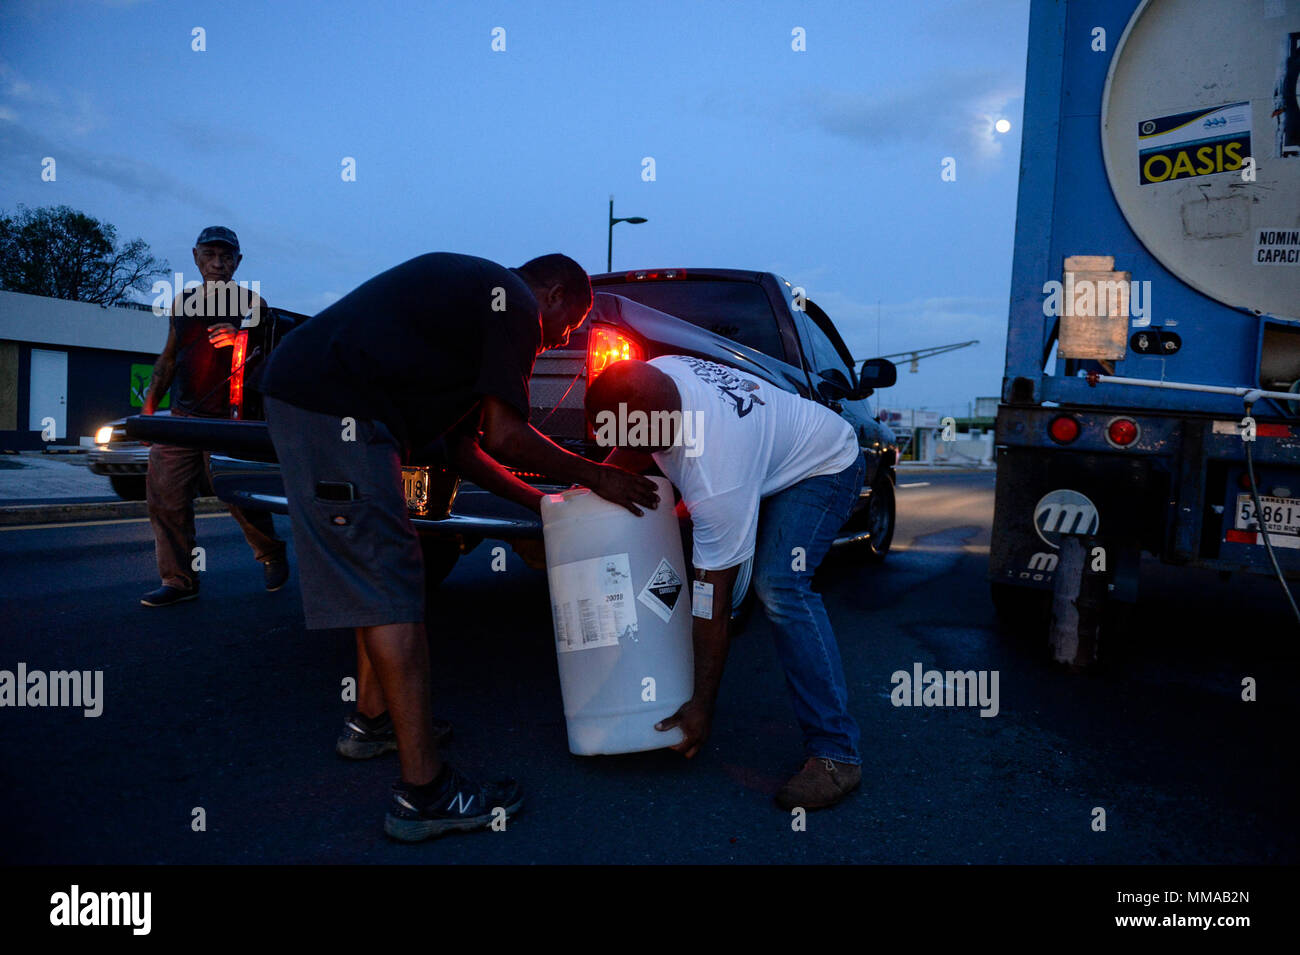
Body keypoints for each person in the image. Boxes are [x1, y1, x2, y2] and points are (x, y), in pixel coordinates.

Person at [258, 252, 659, 841]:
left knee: (385, 573)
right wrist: (597, 477)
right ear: (551, 294)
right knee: (390, 582)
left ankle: (373, 722)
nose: (556, 344)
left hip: (320, 400)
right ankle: (425, 794)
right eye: (568, 327)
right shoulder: (513, 302)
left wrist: (549, 507)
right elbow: (508, 436)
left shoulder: (472, 312)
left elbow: (467, 449)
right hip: (335, 410)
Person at [585, 355, 867, 810]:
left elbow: (709, 606)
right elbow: (629, 445)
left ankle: (836, 753)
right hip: (765, 449)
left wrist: (701, 706)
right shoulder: (657, 374)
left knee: (780, 586)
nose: (615, 446)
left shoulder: (715, 478)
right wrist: (590, 489)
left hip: (825, 462)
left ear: (656, 425)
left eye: (623, 438)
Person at [140, 226, 288, 607]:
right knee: (165, 498)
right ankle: (179, 579)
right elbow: (170, 356)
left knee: (239, 498)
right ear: (195, 256)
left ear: (238, 261)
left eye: (226, 256)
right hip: (182, 417)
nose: (218, 263)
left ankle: (270, 551)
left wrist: (241, 335)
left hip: (230, 421)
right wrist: (150, 406)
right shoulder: (181, 303)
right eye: (210, 255)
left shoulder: (254, 303)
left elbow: (270, 363)